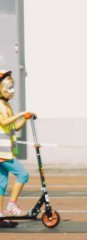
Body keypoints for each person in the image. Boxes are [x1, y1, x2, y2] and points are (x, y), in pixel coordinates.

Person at [0, 70, 34, 220]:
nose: (12, 91)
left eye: (12, 87)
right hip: (2, 152)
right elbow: (4, 122)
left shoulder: (7, 106)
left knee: (1, 183)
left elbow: (14, 127)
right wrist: (21, 113)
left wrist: (25, 118)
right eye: (9, 88)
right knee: (22, 174)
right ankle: (12, 205)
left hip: (6, 150)